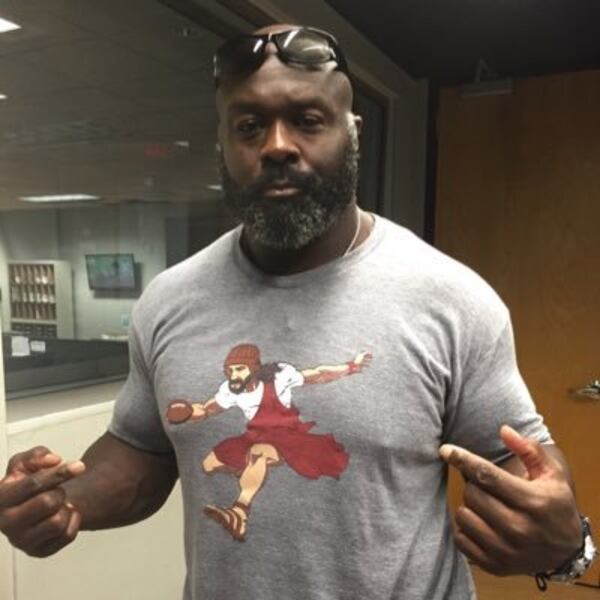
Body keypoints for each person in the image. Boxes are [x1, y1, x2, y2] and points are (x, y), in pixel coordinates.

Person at [0, 23, 595, 600]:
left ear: (352, 133)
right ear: (223, 144)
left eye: (308, 120)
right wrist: (62, 501)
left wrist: (562, 533)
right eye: (250, 126)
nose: (278, 145)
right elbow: (140, 453)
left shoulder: (450, 298)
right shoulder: (168, 300)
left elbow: (520, 458)